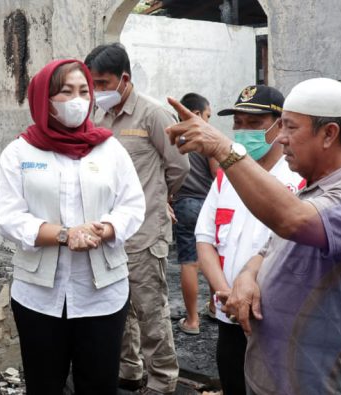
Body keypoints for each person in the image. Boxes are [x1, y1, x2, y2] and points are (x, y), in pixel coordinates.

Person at [166, 78, 341, 395]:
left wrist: (223, 149)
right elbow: (268, 248)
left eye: (290, 128)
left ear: (329, 134)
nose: (282, 140)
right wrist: (247, 275)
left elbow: (292, 222)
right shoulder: (312, 191)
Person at [0, 59, 146, 395]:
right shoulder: (19, 152)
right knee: (44, 383)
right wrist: (65, 235)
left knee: (99, 384)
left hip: (103, 293)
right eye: (66, 92)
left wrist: (104, 229)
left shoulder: (109, 148)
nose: (78, 100)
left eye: (83, 91)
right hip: (38, 295)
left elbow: (133, 205)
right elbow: (8, 215)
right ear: (43, 98)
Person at [85, 43, 187, 395]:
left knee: (150, 309)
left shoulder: (153, 115)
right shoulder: (95, 117)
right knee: (118, 308)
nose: (97, 91)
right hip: (108, 231)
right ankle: (129, 370)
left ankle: (162, 380)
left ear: (124, 79)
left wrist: (160, 199)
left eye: (102, 83)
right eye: (92, 84)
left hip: (144, 232)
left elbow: (179, 166)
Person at [193, 85, 302, 395]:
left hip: (274, 322)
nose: (242, 133)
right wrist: (225, 293)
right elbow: (204, 239)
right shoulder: (225, 177)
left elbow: (290, 249)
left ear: (279, 126)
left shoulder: (298, 180)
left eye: (253, 124)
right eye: (237, 124)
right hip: (229, 317)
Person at [175, 92, 218, 332]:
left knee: (189, 262)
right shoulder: (206, 137)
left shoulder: (173, 135)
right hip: (208, 203)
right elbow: (216, 173)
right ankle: (214, 306)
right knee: (211, 255)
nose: (208, 121)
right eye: (208, 115)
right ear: (198, 113)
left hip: (185, 203)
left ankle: (192, 321)